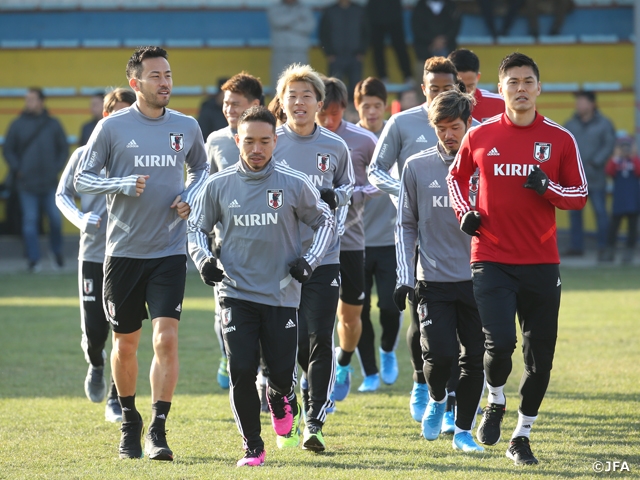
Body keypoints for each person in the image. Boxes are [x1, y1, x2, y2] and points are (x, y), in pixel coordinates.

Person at [447, 52, 587, 465]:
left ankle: (521, 435)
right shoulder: (481, 134)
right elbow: (456, 178)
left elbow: (578, 197)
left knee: (539, 357)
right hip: (490, 256)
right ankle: (495, 400)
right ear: (501, 88)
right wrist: (465, 213)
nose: (521, 89)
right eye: (513, 82)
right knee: (500, 343)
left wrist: (548, 188)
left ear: (539, 88)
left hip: (542, 262)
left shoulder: (560, 138)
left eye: (528, 81)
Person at [74, 46, 208, 461]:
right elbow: (82, 178)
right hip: (123, 254)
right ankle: (129, 423)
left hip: (169, 251)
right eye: (155, 76)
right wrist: (120, 183)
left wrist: (191, 195)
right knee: (126, 345)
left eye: (168, 74)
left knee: (166, 338)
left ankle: (159, 429)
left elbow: (202, 171)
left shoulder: (187, 126)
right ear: (135, 83)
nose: (165, 81)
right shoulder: (112, 128)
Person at [188, 106, 335, 467]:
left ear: (275, 142)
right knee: (240, 369)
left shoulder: (293, 182)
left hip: (282, 294)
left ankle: (282, 397)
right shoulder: (218, 185)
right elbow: (195, 229)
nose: (257, 149)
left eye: (265, 141)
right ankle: (253, 447)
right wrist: (204, 261)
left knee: (281, 374)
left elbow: (326, 221)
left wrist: (310, 261)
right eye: (249, 141)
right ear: (237, 140)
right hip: (235, 292)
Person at [368, 56, 462, 423]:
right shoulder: (402, 122)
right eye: (433, 88)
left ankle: (451, 397)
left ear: (458, 88)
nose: (439, 93)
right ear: (423, 89)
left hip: (457, 234)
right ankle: (421, 382)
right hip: (415, 233)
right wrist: (406, 194)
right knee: (420, 319)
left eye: (447, 87)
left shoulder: (466, 126)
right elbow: (376, 169)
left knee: (459, 325)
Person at [395, 89, 485, 452]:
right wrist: (404, 276)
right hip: (432, 279)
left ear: (468, 124)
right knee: (441, 355)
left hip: (480, 278)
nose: (449, 135)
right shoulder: (416, 166)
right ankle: (436, 400)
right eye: (442, 128)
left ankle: (463, 432)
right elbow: (405, 223)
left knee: (475, 357)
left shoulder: (484, 163)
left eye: (455, 127)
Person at [274, 63, 354, 451]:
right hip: (276, 261)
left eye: (307, 95)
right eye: (293, 95)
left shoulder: (335, 147)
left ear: (320, 103)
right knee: (287, 344)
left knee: (321, 337)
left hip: (324, 260)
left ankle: (315, 423)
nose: (300, 102)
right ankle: (283, 398)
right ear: (281, 102)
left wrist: (335, 199)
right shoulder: (268, 143)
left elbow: (347, 190)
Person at [56, 88, 136, 423]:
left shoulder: (140, 157)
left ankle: (117, 400)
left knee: (125, 330)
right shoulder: (83, 155)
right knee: (94, 331)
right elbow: (62, 195)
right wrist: (80, 219)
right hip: (92, 254)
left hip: (129, 255)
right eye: (116, 115)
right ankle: (96, 363)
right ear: (105, 117)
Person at [315, 77, 378, 401]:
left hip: (351, 240)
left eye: (335, 114)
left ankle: (343, 362)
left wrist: (353, 193)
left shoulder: (363, 140)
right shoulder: (296, 140)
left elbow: (382, 179)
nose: (328, 121)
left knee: (349, 316)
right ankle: (314, 377)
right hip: (308, 243)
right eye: (323, 113)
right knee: (314, 317)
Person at [204, 72, 265, 406]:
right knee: (222, 315)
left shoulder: (271, 137)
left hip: (265, 240)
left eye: (236, 103)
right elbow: (206, 183)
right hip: (225, 243)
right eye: (226, 103)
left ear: (254, 105)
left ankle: (264, 374)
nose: (228, 109)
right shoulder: (214, 141)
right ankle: (228, 355)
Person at [353, 77, 401, 392]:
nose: (371, 111)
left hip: (390, 239)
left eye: (377, 106)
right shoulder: (347, 139)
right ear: (356, 107)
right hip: (354, 242)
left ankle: (387, 351)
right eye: (366, 105)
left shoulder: (395, 137)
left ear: (385, 107)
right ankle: (369, 372)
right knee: (358, 310)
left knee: (389, 305)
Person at [3, 87, 68, 272]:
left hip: (50, 184)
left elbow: (63, 149)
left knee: (56, 220)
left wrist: (56, 169)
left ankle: (56, 253)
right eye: (27, 99)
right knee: (30, 223)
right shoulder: (17, 124)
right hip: (26, 185)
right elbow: (8, 150)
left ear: (41, 101)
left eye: (31, 99)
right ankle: (33, 259)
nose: (28, 103)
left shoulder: (53, 123)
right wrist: (18, 169)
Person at [564, 90, 616, 260]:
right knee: (574, 213)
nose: (578, 104)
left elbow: (609, 145)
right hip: (574, 179)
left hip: (595, 177)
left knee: (600, 212)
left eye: (582, 101)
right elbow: (564, 147)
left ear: (592, 104)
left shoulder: (604, 124)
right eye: (577, 101)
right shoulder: (570, 124)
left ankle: (604, 247)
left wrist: (595, 162)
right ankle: (576, 247)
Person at [319, 0, 368, 101]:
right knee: (334, 89)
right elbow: (323, 33)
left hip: (355, 56)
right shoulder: (330, 11)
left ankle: (354, 113)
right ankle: (334, 112)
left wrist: (362, 52)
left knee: (356, 89)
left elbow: (367, 32)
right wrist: (329, 53)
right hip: (336, 57)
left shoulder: (359, 10)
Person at [603, 135, 640, 263]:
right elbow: (608, 171)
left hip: (633, 201)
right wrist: (616, 156)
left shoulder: (634, 161)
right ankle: (610, 251)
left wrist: (633, 155)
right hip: (619, 200)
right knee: (613, 227)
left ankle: (629, 252)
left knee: (632, 228)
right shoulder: (616, 161)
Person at [267, 0, 315, 89]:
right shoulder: (274, 7)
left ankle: (299, 103)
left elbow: (309, 27)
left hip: (300, 51)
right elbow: (277, 21)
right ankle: (277, 103)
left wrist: (287, 24)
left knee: (301, 82)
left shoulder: (304, 8)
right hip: (280, 51)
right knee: (278, 82)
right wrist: (298, 18)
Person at [448, 48, 504, 123]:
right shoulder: (437, 107)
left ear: (478, 77)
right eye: (459, 86)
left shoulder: (500, 104)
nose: (465, 91)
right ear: (448, 80)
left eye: (470, 86)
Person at [366, 0, 413, 84]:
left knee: (400, 47)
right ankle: (382, 77)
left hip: (393, 14)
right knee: (378, 49)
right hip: (375, 15)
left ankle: (408, 76)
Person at [411, 0, 460, 70]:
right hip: (424, 49)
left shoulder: (451, 6)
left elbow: (455, 26)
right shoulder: (420, 6)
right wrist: (432, 40)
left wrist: (443, 39)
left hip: (448, 48)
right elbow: (417, 28)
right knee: (422, 69)